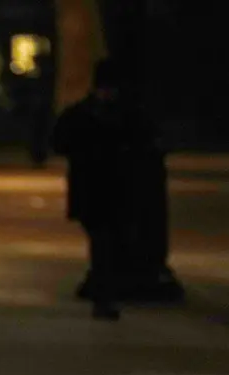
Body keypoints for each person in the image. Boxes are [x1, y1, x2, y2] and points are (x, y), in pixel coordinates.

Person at [51, 58, 158, 320]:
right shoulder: (102, 115)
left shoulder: (97, 114)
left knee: (108, 244)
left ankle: (105, 292)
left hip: (108, 190)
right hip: (100, 190)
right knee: (104, 243)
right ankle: (104, 296)